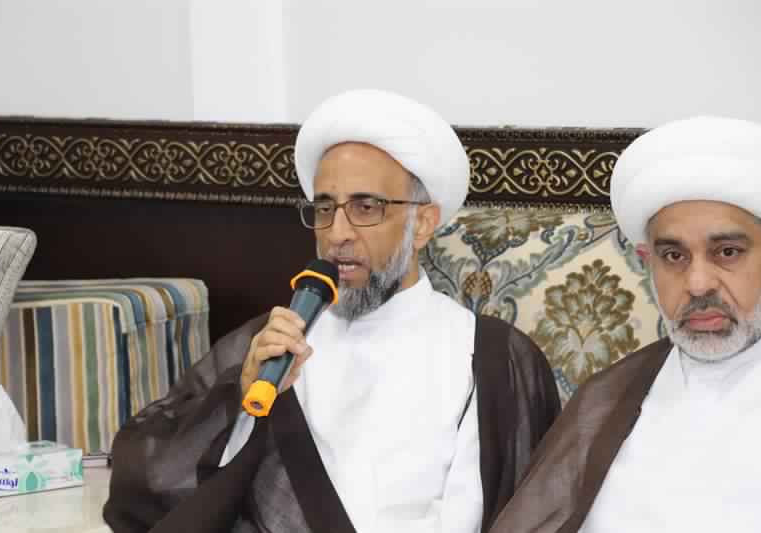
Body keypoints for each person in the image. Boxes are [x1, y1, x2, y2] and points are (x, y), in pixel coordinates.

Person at [103, 89, 560, 533]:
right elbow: (146, 479)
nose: (337, 233)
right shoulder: (272, 342)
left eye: (366, 207)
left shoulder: (489, 358)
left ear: (422, 224)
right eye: (325, 208)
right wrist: (237, 400)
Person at [490, 115, 761, 533]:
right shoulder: (607, 398)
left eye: (727, 252)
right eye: (673, 256)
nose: (697, 284)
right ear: (646, 263)